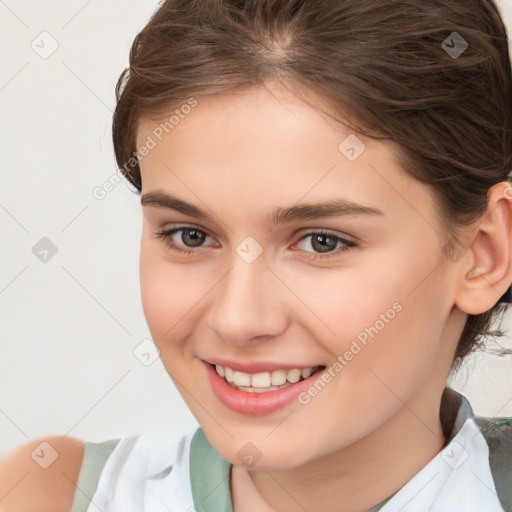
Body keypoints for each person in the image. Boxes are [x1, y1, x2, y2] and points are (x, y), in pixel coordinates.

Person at [1, 0, 512, 510]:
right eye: (190, 236)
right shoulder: (44, 495)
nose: (237, 320)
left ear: (483, 253)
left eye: (321, 242)